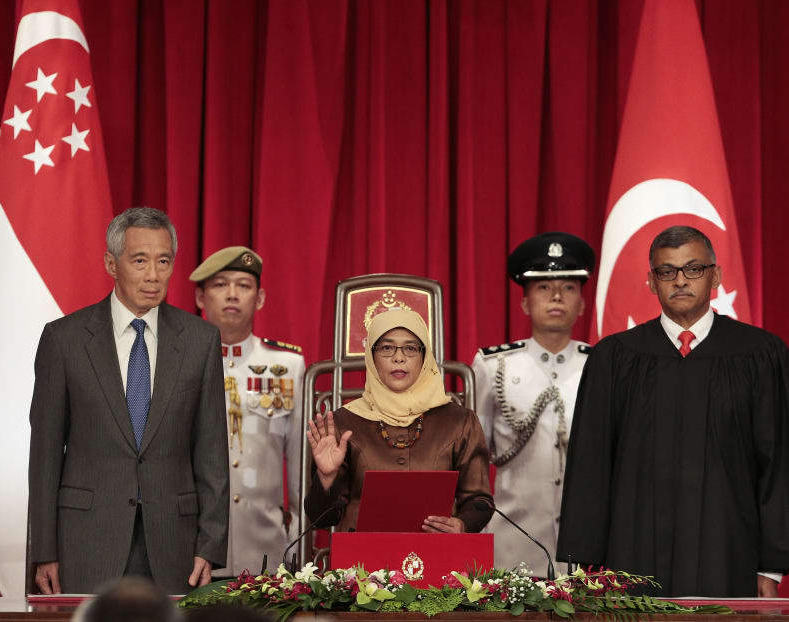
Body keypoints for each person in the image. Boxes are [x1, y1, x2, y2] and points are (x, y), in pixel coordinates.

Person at [557, 225, 789, 597]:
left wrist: (772, 566)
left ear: (716, 275)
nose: (680, 281)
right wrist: (584, 565)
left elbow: (777, 464)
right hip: (632, 554)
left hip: (729, 552)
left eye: (693, 269)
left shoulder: (761, 354)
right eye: (667, 271)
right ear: (651, 281)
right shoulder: (615, 358)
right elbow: (592, 464)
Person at [28, 207, 229, 594]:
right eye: (140, 260)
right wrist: (44, 550)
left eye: (164, 261)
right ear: (111, 263)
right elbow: (45, 455)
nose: (153, 275)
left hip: (175, 544)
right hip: (85, 542)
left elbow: (212, 452)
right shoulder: (64, 340)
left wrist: (211, 543)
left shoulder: (200, 340)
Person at [304, 308, 493, 533]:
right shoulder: (344, 423)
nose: (399, 357)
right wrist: (326, 478)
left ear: (425, 357)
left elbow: (480, 502)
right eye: (386, 348)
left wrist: (462, 524)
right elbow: (322, 519)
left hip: (438, 560)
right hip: (361, 564)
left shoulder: (459, 421)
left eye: (411, 348)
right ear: (371, 357)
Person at [472, 232, 594, 576]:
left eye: (569, 287)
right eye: (543, 287)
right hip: (512, 545)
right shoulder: (493, 366)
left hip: (584, 550)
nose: (556, 296)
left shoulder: (600, 366)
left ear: (582, 303)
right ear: (525, 302)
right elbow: (474, 459)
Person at [190, 246, 305, 575]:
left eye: (243, 285)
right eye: (220, 284)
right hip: (193, 553)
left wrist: (296, 544)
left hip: (265, 550)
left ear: (260, 297)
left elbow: (298, 469)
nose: (231, 294)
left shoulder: (287, 366)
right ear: (200, 297)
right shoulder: (177, 366)